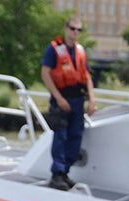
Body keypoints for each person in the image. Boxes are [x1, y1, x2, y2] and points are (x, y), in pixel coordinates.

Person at [41, 17, 96, 191]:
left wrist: (92, 99)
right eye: (72, 29)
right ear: (66, 29)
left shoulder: (80, 50)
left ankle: (64, 173)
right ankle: (57, 174)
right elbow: (45, 73)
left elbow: (86, 76)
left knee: (75, 136)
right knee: (61, 136)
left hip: (78, 100)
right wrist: (58, 98)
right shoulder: (54, 49)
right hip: (61, 100)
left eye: (79, 30)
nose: (75, 33)